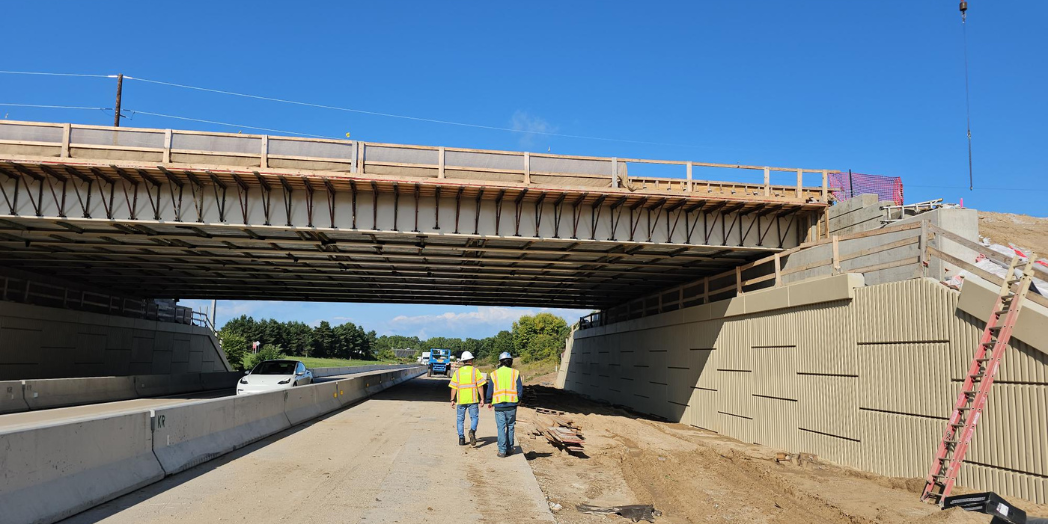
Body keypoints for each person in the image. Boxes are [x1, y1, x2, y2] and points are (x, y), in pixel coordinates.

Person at [485, 352, 523, 458]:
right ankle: (510, 448)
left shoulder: (494, 374)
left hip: (499, 405)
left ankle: (502, 451)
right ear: (510, 361)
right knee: (510, 426)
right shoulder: (515, 373)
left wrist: (489, 401)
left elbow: (490, 390)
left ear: (500, 362)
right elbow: (520, 389)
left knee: (501, 427)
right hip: (512, 405)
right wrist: (518, 400)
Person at [449, 351, 485, 446]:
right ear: (470, 360)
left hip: (461, 400)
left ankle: (461, 439)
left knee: (460, 419)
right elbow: (480, 386)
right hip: (473, 400)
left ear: (463, 361)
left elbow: (453, 387)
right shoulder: (475, 371)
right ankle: (472, 431)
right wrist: (482, 399)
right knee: (474, 417)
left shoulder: (458, 372)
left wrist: (452, 399)